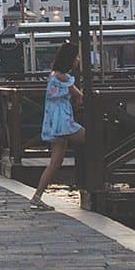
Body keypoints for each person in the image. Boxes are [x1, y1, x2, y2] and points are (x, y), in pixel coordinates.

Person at [31, 43, 86, 211]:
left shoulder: (53, 75)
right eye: (76, 57)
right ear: (69, 59)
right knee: (92, 139)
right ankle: (98, 178)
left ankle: (37, 196)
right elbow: (79, 96)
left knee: (56, 162)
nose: (77, 60)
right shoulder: (64, 78)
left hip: (53, 121)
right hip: (63, 121)